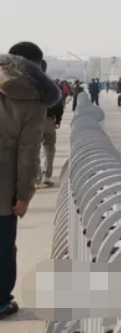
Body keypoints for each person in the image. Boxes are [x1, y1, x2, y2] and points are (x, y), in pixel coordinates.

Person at [1, 42, 62, 320]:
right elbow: (28, 153)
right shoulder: (34, 99)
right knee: (3, 246)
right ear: (37, 66)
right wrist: (25, 194)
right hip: (4, 188)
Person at [39, 61, 61, 189]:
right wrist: (57, 120)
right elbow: (59, 105)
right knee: (49, 148)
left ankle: (35, 178)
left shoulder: (25, 85)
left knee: (31, 150)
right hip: (48, 120)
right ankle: (47, 176)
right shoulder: (52, 85)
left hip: (30, 122)